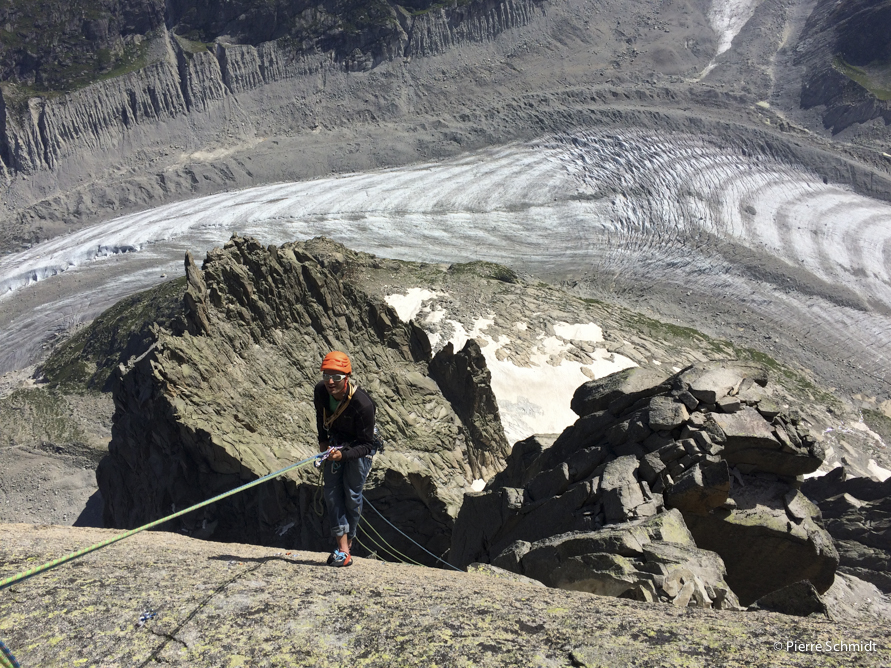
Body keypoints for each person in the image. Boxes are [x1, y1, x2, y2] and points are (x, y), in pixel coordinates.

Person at [314, 350, 376, 567]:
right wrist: (324, 445)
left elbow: (368, 444)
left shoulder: (363, 404)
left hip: (359, 447)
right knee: (332, 494)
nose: (330, 381)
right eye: (326, 375)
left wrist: (344, 455)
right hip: (336, 444)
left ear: (346, 378)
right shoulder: (321, 391)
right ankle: (343, 550)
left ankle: (346, 545)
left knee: (351, 494)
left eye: (336, 377)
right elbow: (320, 418)